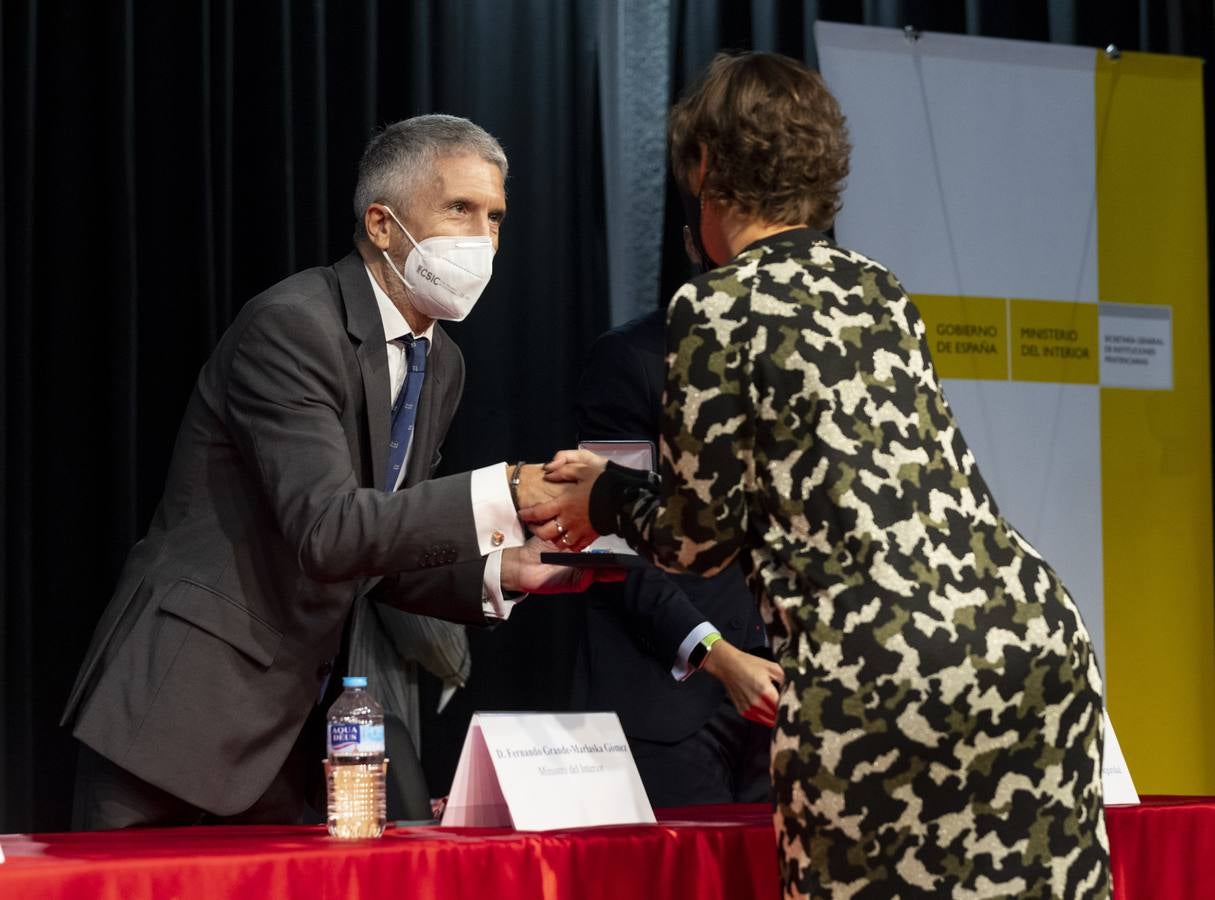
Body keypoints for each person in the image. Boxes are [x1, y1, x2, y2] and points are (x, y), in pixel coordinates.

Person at [522, 53, 1111, 898]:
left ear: (703, 168)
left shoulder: (716, 305)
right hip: (1033, 645)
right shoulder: (878, 289)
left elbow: (696, 539)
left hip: (882, 673)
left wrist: (600, 495)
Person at [62, 114, 595, 830]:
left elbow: (378, 551)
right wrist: (509, 486)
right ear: (381, 224)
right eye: (459, 209)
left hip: (285, 732)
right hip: (179, 715)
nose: (483, 239)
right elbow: (330, 530)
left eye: (495, 216)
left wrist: (504, 571)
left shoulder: (441, 363)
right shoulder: (292, 325)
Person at [572, 308, 781, 806]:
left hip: (786, 704)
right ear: (694, 238)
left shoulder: (815, 353)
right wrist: (718, 656)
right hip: (666, 704)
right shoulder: (632, 358)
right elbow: (612, 547)